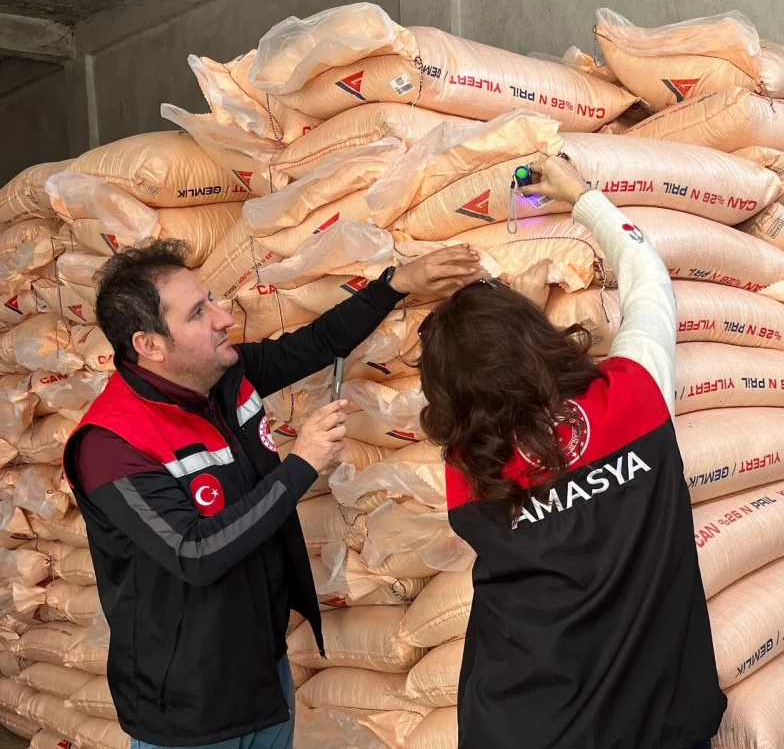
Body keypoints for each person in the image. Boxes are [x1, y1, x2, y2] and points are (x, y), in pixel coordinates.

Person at [61, 240, 484, 748]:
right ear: (150, 344)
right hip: (189, 705)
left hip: (264, 671)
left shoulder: (224, 377)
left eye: (212, 299)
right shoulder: (112, 444)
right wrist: (301, 464)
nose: (223, 317)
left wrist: (395, 286)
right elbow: (194, 551)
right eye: (199, 313)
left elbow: (316, 343)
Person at [417, 156, 726, 749]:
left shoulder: (468, 469)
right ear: (538, 341)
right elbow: (648, 284)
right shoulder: (633, 397)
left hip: (516, 728)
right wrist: (583, 198)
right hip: (657, 724)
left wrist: (506, 325)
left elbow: (492, 401)